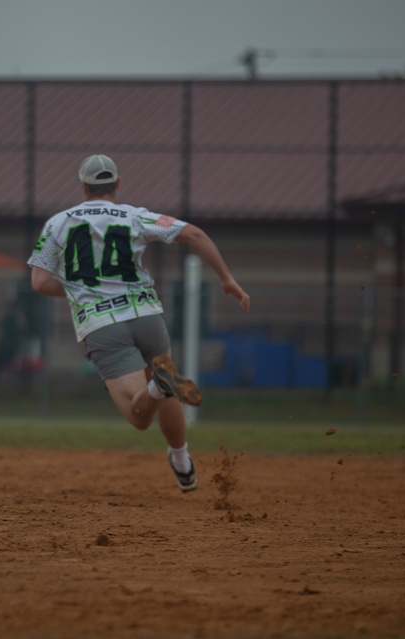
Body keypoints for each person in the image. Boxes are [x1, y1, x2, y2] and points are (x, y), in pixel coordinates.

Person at [28, 154, 251, 492]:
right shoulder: (135, 215)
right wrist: (228, 279)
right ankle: (181, 459)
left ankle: (158, 387)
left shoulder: (57, 223)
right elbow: (194, 234)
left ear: (83, 186)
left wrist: (79, 291)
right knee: (164, 388)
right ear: (117, 183)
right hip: (147, 317)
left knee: (140, 415)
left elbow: (40, 283)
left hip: (103, 325)